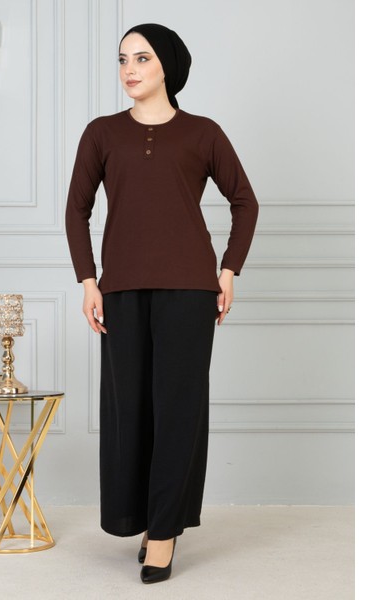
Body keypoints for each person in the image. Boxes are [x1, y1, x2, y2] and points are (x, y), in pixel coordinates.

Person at [66, 23, 258, 584]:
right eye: (123, 59)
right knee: (130, 410)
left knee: (178, 410)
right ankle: (144, 518)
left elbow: (245, 202)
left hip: (190, 291)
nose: (129, 69)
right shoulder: (101, 133)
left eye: (142, 58)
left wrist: (228, 271)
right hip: (121, 290)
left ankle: (165, 533)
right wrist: (88, 281)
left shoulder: (203, 133)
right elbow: (76, 209)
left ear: (167, 65)